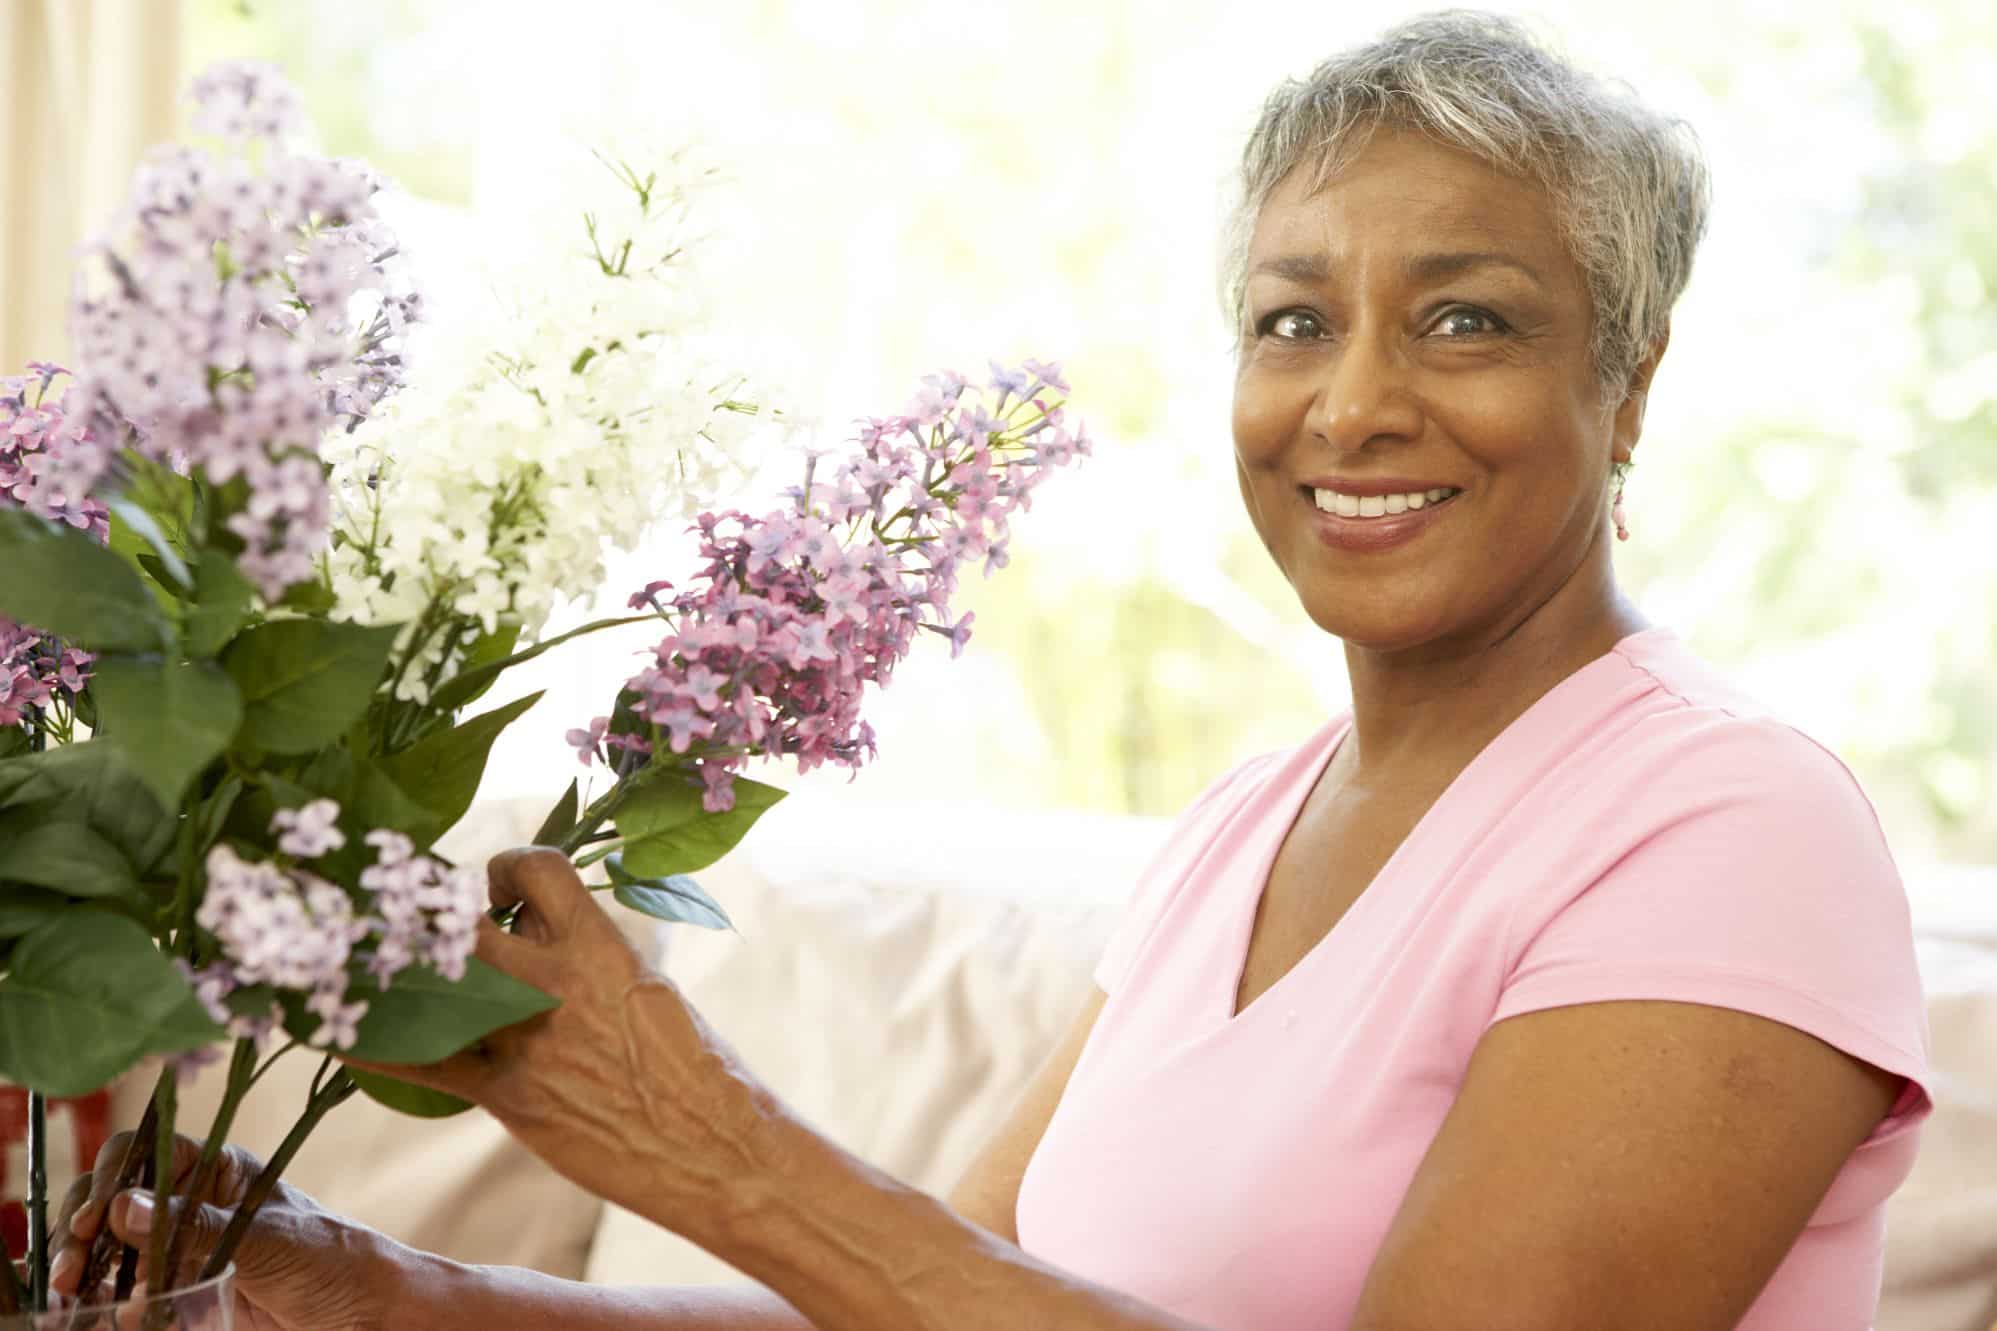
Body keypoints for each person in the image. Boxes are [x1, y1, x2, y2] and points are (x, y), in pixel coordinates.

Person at [52, 10, 1931, 1330]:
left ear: (1630, 384)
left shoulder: (1725, 825)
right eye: (1291, 321)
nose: (1354, 401)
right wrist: (394, 1296)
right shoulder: (1247, 823)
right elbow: (910, 1302)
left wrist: (714, 1148)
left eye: (1466, 319)